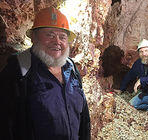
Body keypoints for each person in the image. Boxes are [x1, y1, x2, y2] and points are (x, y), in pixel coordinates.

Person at [0, 7, 91, 140]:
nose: (57, 41)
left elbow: (84, 119)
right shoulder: (18, 70)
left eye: (62, 37)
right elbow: (4, 125)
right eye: (49, 35)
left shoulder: (71, 69)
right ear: (34, 38)